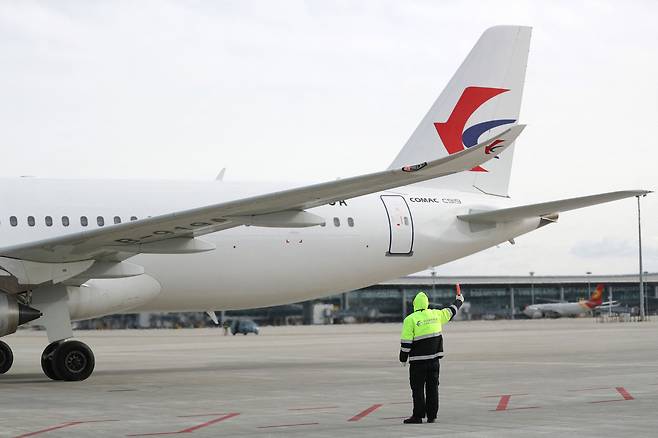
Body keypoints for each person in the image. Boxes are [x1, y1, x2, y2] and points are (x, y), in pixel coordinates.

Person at [399, 286, 464, 424]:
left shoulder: (410, 319)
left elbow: (406, 343)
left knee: (417, 389)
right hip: (434, 361)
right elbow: (452, 311)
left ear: (415, 304)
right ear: (427, 303)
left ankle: (418, 416)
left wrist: (403, 359)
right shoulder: (436, 314)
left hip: (418, 363)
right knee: (433, 388)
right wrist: (459, 300)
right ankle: (432, 416)